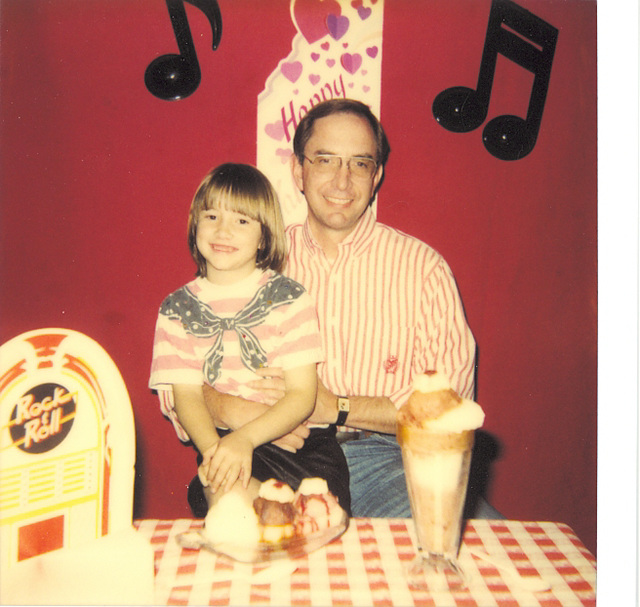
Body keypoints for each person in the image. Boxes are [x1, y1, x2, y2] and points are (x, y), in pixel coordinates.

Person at [204, 100, 500, 518]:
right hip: (272, 455)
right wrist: (230, 408)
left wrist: (336, 406)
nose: (342, 181)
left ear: (376, 175)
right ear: (298, 171)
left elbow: (449, 407)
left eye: (359, 164)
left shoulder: (423, 269)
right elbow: (177, 377)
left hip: (386, 462)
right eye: (325, 160)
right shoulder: (254, 260)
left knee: (479, 553)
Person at [149, 163, 351, 517]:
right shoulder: (176, 308)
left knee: (247, 505)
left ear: (264, 234)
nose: (223, 231)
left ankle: (302, 510)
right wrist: (217, 453)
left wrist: (245, 438)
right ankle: (292, 513)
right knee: (220, 493)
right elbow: (187, 397)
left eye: (242, 221)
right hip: (224, 444)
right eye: (211, 216)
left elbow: (303, 396)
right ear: (195, 223)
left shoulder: (289, 297)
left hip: (302, 449)